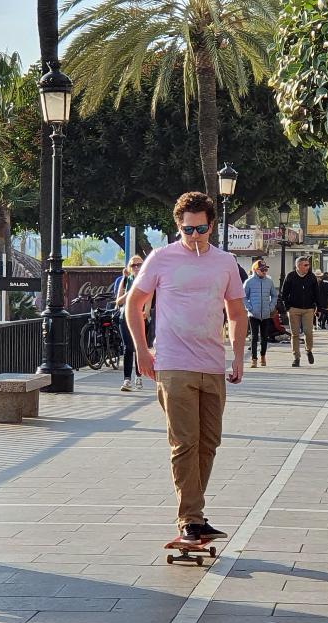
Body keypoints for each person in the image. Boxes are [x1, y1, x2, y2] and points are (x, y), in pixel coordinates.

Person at [125, 191, 245, 546]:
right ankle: (190, 520)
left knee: (209, 442)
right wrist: (142, 351)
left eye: (201, 229)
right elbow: (133, 305)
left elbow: (236, 313)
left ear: (211, 225)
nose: (194, 236)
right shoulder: (161, 259)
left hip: (212, 364)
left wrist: (238, 357)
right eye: (187, 230)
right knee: (184, 442)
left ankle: (194, 515)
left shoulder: (224, 262)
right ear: (178, 226)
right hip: (174, 364)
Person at [114, 255, 149, 391]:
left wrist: (146, 311)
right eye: (133, 265)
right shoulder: (125, 280)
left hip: (140, 318)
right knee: (128, 347)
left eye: (139, 265)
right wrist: (130, 292)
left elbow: (148, 300)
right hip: (125, 317)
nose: (136, 267)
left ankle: (139, 376)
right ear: (129, 268)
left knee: (139, 347)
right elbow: (118, 301)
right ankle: (127, 379)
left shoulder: (146, 281)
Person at [280, 256, 318, 367]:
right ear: (298, 266)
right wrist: (287, 307)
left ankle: (309, 350)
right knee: (295, 334)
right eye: (305, 265)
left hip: (308, 309)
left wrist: (318, 307)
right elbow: (284, 293)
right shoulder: (291, 276)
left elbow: (316, 293)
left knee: (308, 332)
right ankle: (296, 357)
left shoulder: (311, 277)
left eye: (308, 265)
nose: (308, 267)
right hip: (294, 309)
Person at [243, 260, 277, 367]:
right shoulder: (249, 282)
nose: (264, 272)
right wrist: (250, 308)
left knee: (264, 337)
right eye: (262, 270)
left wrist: (271, 307)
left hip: (266, 314)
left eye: (266, 269)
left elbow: (274, 295)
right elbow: (244, 297)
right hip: (253, 314)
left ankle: (263, 356)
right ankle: (254, 359)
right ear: (255, 270)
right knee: (254, 337)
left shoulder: (269, 281)